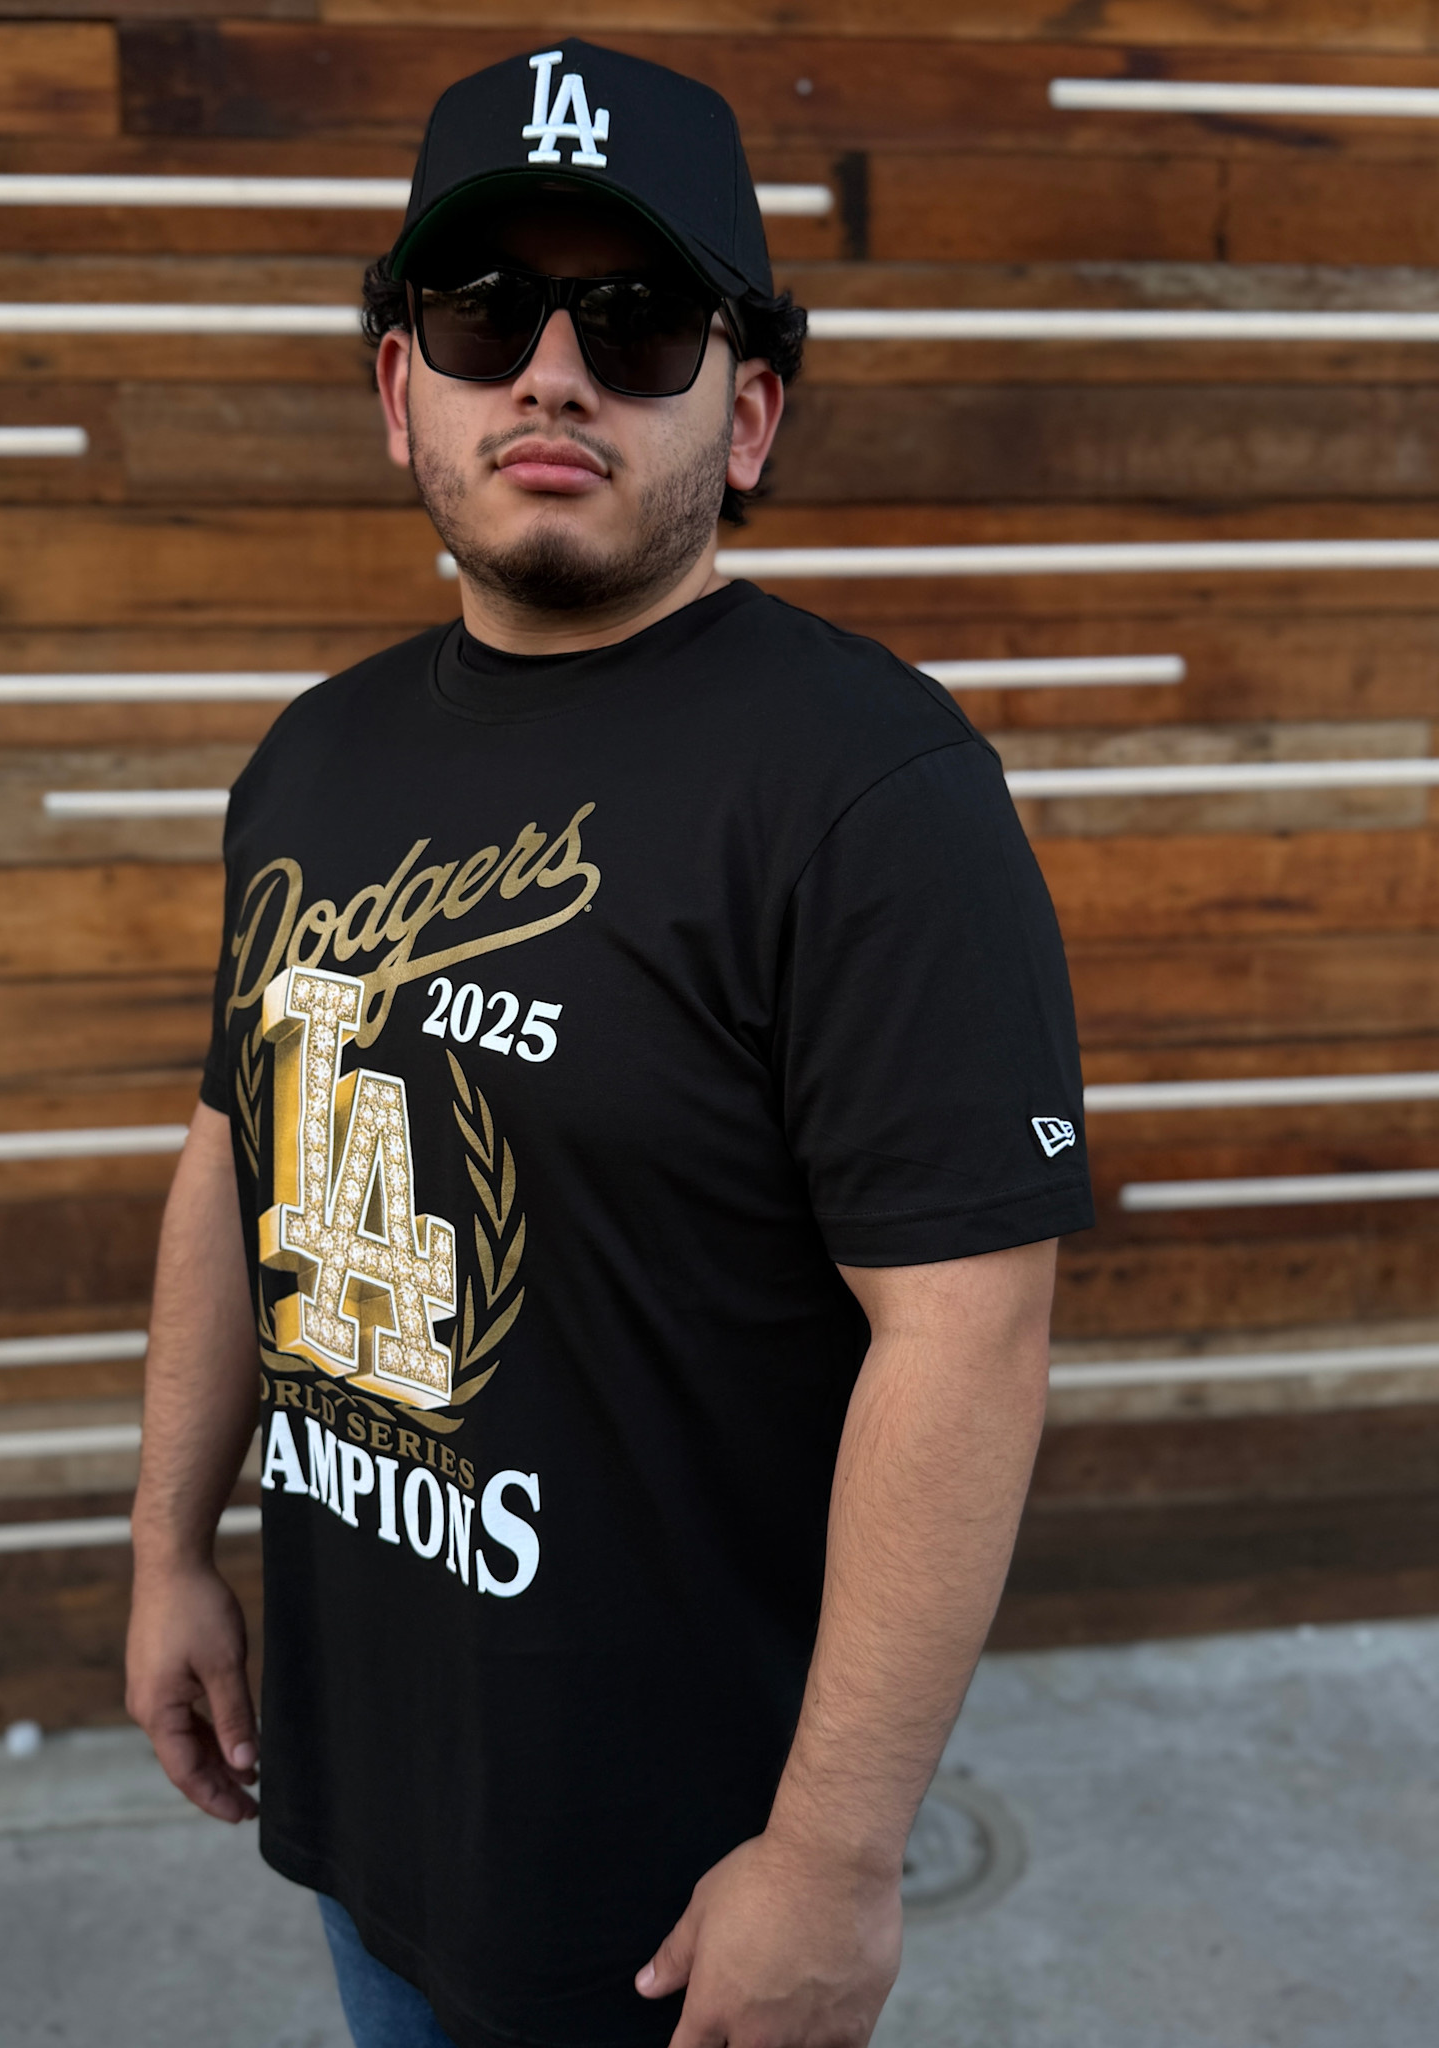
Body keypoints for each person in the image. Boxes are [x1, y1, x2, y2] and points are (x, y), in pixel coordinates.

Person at [125, 36, 1093, 2048]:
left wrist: (834, 1854)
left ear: (750, 413)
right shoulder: (310, 762)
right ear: (401, 388)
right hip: (366, 1809)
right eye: (486, 316)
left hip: (673, 1907)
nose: (552, 374)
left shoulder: (872, 791)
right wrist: (167, 1554)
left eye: (637, 322)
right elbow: (234, 1157)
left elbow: (968, 1334)